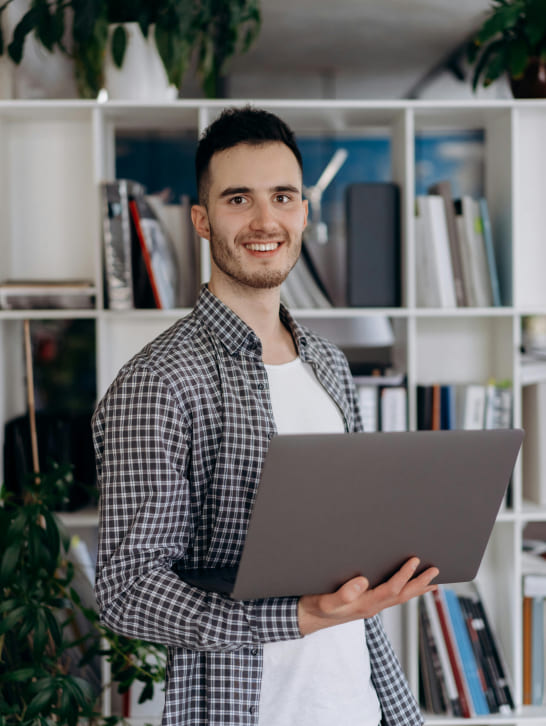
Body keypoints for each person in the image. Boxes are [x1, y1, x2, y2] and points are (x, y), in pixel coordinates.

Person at [93, 106, 439, 726]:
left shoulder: (331, 365)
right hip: (246, 711)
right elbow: (128, 591)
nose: (265, 220)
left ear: (304, 210)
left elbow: (351, 572)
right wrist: (299, 616)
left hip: (358, 706)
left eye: (283, 196)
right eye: (238, 199)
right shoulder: (158, 381)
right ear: (201, 220)